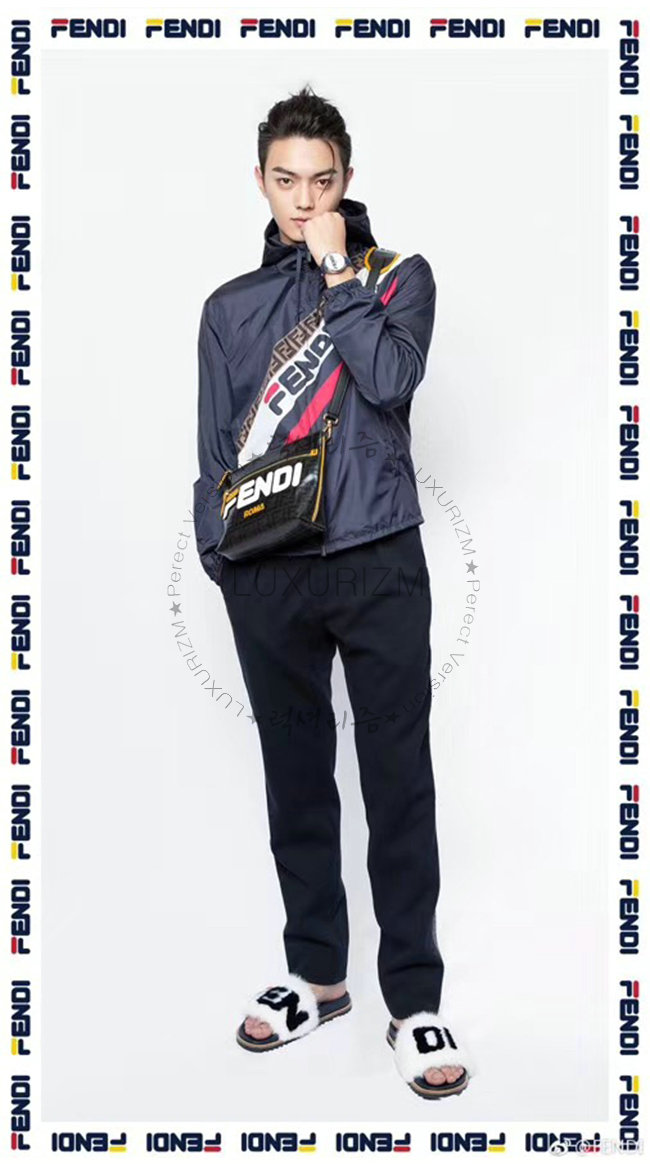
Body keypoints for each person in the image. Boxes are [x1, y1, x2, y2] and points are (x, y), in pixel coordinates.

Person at [192, 84, 473, 1099]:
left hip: (377, 556)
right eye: (286, 182)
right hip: (269, 573)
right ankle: (318, 976)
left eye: (321, 182)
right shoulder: (228, 309)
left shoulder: (398, 279)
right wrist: (223, 562)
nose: (304, 200)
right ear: (260, 182)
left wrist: (338, 273)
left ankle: (414, 999)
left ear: (346, 181)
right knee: (296, 777)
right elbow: (212, 449)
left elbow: (389, 382)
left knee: (398, 777)